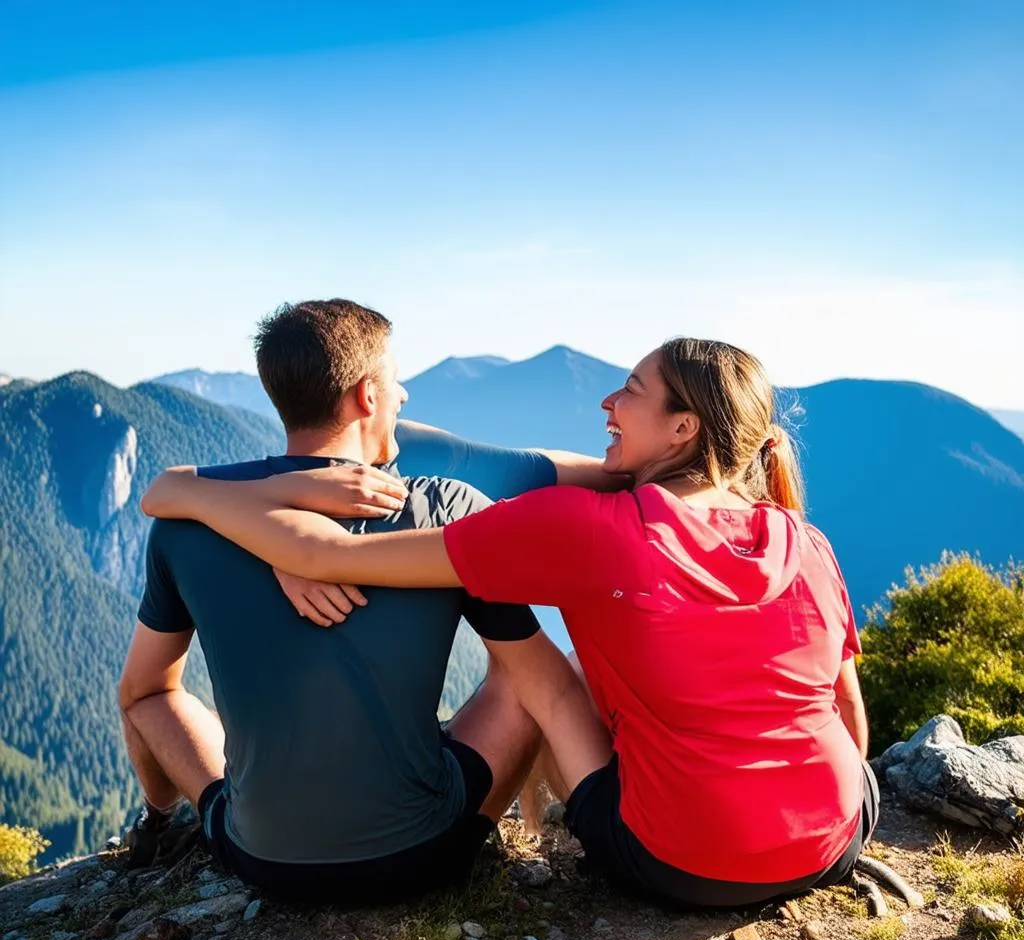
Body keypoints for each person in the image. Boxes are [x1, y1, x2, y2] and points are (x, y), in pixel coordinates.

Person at [142, 336, 876, 909]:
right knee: (568, 667)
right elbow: (846, 709)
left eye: (631, 391)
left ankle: (549, 830)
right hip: (837, 832)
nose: (607, 404)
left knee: (556, 677)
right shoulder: (806, 539)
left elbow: (323, 554)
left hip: (677, 863)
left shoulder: (585, 527)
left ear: (682, 426)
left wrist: (199, 493)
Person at [118, 297, 608, 905]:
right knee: (525, 674)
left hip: (262, 861)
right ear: (366, 397)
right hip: (422, 855)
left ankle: (159, 826)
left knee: (147, 694)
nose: (403, 397)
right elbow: (546, 687)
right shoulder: (447, 510)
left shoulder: (187, 524)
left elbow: (143, 688)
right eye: (395, 382)